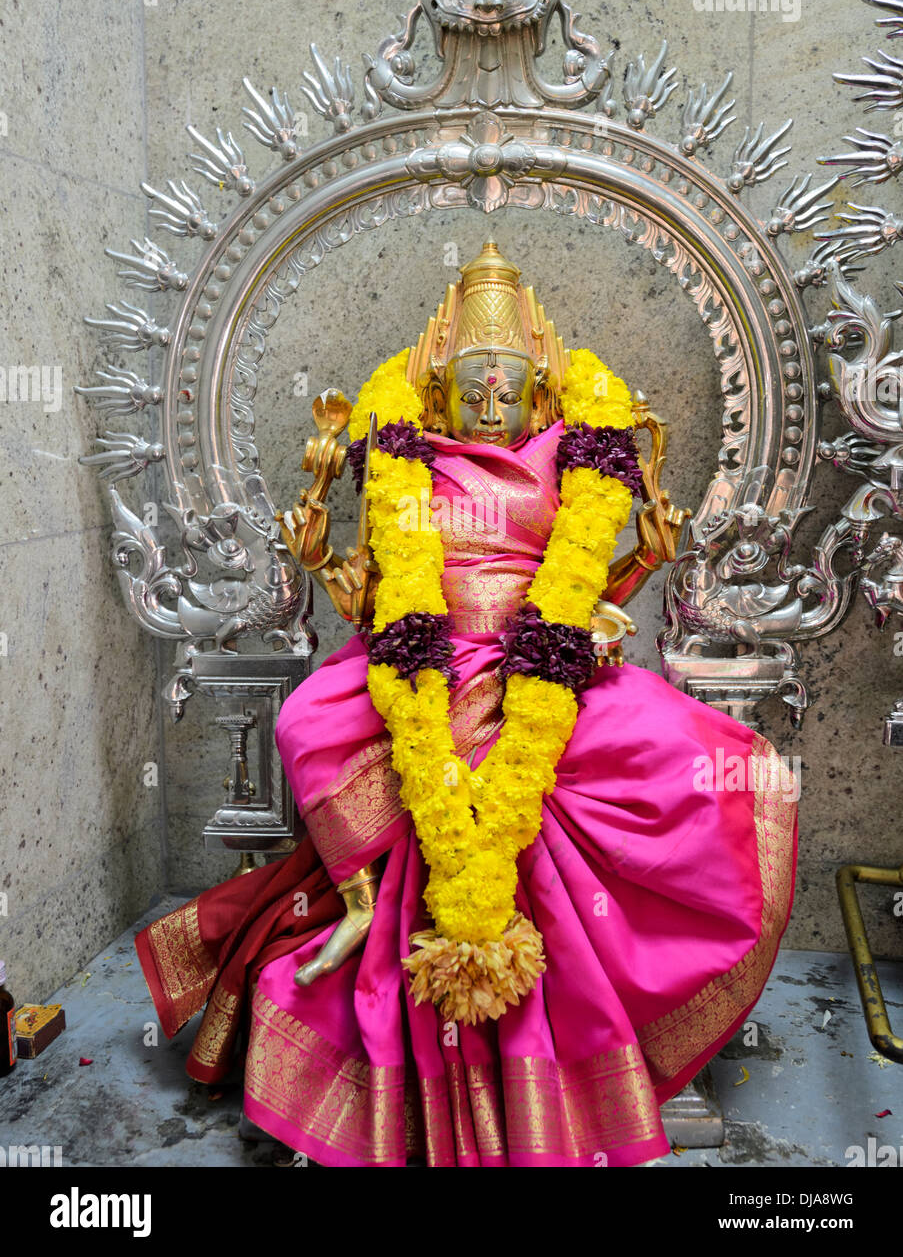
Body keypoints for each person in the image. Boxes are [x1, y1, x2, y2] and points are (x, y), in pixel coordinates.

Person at [136, 242, 797, 1167]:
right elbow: (378, 596)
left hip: (543, 664)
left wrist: (633, 571)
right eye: (474, 392)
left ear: (540, 391)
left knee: (691, 761)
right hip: (422, 661)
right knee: (307, 721)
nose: (492, 409)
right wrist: (325, 556)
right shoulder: (408, 462)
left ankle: (594, 1053)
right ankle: (364, 905)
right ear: (442, 394)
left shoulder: (576, 456)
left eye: (509, 391)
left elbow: (585, 587)